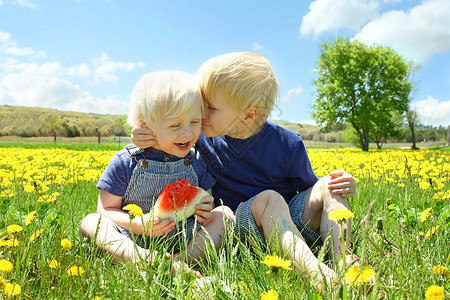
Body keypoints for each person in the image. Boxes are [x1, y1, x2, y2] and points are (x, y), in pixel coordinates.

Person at [131, 53, 356, 285]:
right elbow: (170, 143)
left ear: (248, 115)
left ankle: (344, 259)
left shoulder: (288, 143)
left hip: (287, 224)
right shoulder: (199, 136)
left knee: (331, 181)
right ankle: (313, 271)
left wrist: (340, 185)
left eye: (210, 107)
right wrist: (148, 136)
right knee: (269, 199)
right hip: (237, 228)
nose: (200, 114)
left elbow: (310, 189)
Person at [80, 71, 233, 273]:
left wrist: (205, 209)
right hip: (133, 238)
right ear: (146, 125)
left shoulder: (196, 160)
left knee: (225, 215)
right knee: (91, 222)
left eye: (195, 122)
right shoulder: (126, 161)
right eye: (175, 125)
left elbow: (208, 200)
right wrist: (138, 225)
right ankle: (142, 258)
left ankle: (181, 261)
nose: (187, 133)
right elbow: (105, 211)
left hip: (185, 236)